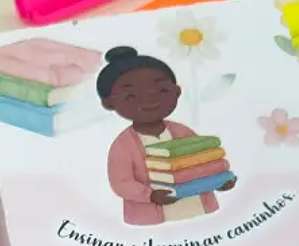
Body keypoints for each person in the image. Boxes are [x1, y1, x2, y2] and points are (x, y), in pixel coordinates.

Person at [98, 46, 236, 227]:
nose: (149, 100)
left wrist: (218, 181)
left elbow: (203, 163)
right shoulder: (123, 146)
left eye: (162, 90)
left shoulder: (183, 133)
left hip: (200, 210)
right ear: (109, 103)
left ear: (176, 92)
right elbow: (122, 183)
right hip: (152, 222)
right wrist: (150, 195)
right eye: (131, 96)